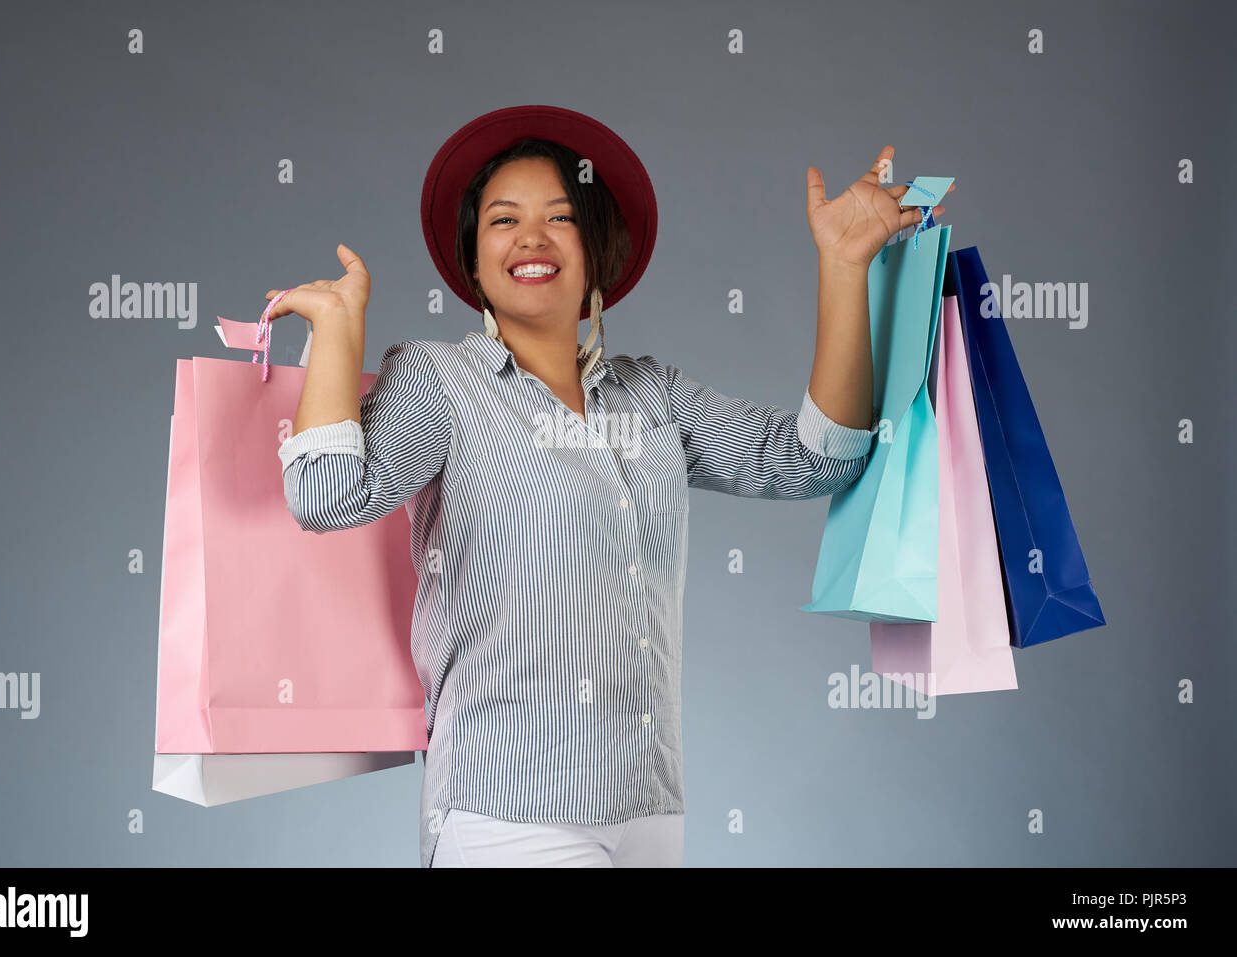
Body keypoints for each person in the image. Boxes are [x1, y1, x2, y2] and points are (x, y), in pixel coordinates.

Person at [267, 105, 951, 867]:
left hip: (650, 808)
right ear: (473, 260)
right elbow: (326, 496)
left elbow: (813, 458)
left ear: (598, 253)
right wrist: (338, 328)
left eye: (561, 217)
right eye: (503, 220)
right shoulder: (440, 381)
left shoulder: (650, 394)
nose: (531, 237)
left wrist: (844, 265)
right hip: (510, 811)